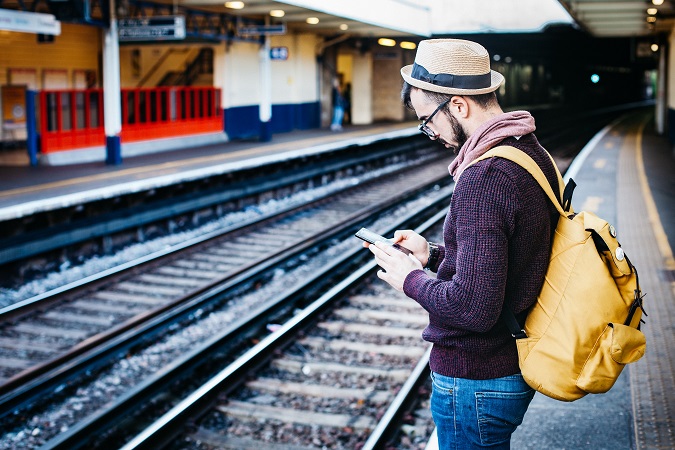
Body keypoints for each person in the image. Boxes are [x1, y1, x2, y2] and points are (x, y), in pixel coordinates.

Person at [364, 39, 561, 448]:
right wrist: (432, 254)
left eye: (427, 119)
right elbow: (510, 257)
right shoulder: (529, 151)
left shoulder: (483, 178)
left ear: (458, 105)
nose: (429, 132)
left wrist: (409, 278)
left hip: (476, 376)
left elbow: (472, 308)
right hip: (506, 364)